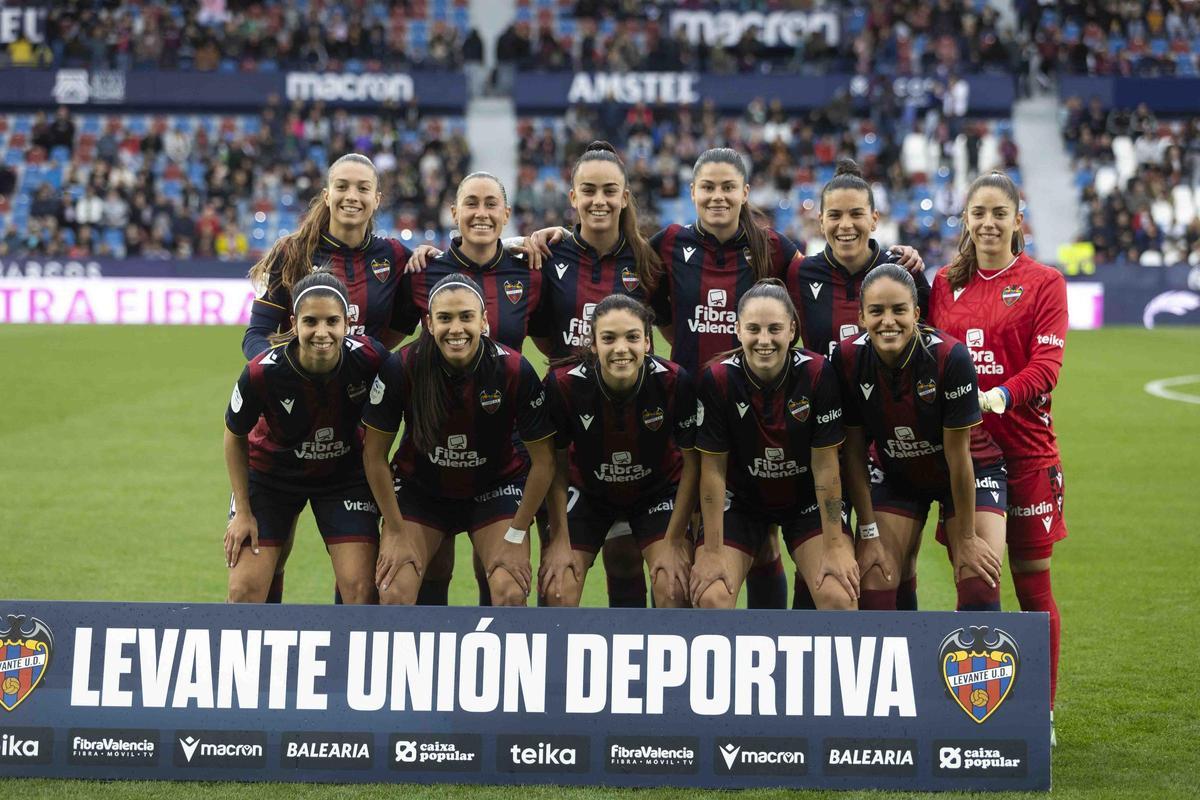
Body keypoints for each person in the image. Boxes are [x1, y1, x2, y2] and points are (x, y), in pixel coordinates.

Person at [241, 152, 437, 604]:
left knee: (359, 586)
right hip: (286, 432)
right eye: (343, 187)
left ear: (377, 198)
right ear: (327, 195)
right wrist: (281, 372)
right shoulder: (295, 253)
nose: (352, 196)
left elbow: (400, 331)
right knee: (255, 578)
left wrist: (362, 362)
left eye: (362, 188)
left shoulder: (393, 257)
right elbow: (256, 334)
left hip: (354, 438)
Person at [928, 170, 1069, 743]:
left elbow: (1048, 366)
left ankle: (1044, 712)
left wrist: (1000, 393)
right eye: (977, 212)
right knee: (975, 579)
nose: (988, 223)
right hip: (969, 456)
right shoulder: (942, 283)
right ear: (966, 220)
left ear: (1018, 220)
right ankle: (977, 711)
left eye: (998, 213)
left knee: (1033, 584)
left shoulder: (1044, 283)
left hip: (1028, 452)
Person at [785, 157, 929, 610]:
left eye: (855, 215)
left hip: (885, 443)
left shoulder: (902, 274)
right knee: (818, 568)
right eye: (835, 215)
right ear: (820, 218)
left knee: (888, 564)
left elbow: (930, 353)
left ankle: (902, 660)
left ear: (874, 218)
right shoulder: (799, 275)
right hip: (820, 440)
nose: (845, 226)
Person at [362, 273, 556, 606]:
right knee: (394, 591)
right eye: (445, 318)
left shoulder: (513, 369)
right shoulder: (402, 366)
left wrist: (517, 531)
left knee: (510, 591)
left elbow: (544, 461)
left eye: (466, 317)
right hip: (421, 490)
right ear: (428, 322)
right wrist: (394, 529)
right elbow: (373, 455)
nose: (456, 328)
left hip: (495, 487)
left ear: (483, 321)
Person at [525, 140, 663, 608]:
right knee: (558, 572)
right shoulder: (549, 256)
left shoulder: (649, 259)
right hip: (566, 424)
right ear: (572, 197)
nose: (599, 200)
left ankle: (632, 672)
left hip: (633, 423)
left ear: (625, 197)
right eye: (588, 190)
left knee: (625, 557)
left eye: (610, 190)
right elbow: (543, 335)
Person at [395, 172, 544, 606]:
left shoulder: (530, 270)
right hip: (431, 444)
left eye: (491, 204)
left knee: (498, 577)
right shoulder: (423, 270)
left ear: (506, 214)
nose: (481, 213)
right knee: (427, 572)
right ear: (454, 212)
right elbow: (387, 343)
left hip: (501, 447)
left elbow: (555, 345)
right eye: (471, 204)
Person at [831, 264, 1006, 615]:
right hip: (897, 473)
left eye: (899, 310)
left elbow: (959, 457)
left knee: (978, 580)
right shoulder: (847, 357)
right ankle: (905, 666)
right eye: (877, 311)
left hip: (969, 469)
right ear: (862, 317)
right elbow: (851, 453)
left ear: (917, 313)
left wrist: (968, 539)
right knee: (876, 580)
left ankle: (973, 668)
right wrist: (867, 534)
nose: (888, 321)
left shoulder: (949, 357)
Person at [690, 278, 858, 610]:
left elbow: (826, 467)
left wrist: (836, 544)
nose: (764, 340)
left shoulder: (817, 373)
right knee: (711, 597)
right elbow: (712, 472)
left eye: (774, 329)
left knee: (839, 596)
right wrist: (710, 552)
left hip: (805, 500)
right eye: (753, 329)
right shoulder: (717, 379)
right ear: (737, 330)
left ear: (792, 330)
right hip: (742, 503)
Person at [224, 272, 388, 604]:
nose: (322, 332)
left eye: (332, 321)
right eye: (311, 321)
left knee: (361, 589)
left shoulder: (372, 358)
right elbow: (233, 436)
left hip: (344, 477)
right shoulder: (262, 371)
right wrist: (243, 511)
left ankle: (345, 654)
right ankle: (271, 579)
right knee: (244, 593)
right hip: (270, 476)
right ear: (294, 322)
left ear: (347, 322)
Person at [539, 294, 698, 608]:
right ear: (594, 344)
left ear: (648, 343)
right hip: (588, 492)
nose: (621, 349)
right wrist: (558, 538)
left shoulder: (674, 381)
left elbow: (694, 465)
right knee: (557, 590)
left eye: (633, 337)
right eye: (608, 338)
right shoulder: (563, 386)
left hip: (657, 490)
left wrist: (675, 539)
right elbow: (553, 466)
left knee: (674, 588)